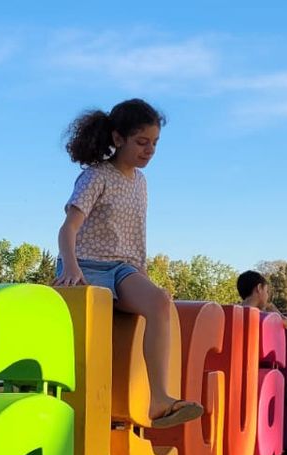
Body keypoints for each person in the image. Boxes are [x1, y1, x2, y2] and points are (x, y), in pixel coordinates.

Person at [56, 98, 202, 430]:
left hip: (123, 269)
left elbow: (136, 235)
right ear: (118, 138)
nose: (149, 150)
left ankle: (160, 399)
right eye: (141, 142)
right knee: (95, 341)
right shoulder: (96, 177)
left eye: (154, 143)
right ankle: (87, 416)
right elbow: (68, 228)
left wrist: (142, 275)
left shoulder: (141, 182)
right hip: (86, 266)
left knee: (160, 301)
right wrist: (71, 268)